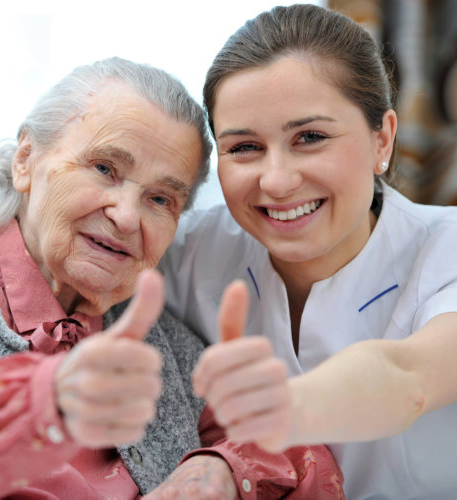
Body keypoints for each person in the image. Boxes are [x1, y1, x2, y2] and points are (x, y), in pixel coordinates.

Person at [0, 56, 344, 499]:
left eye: (160, 199)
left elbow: (300, 450)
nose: (125, 217)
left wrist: (217, 470)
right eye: (105, 168)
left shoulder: (163, 346)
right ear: (26, 159)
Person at [160, 4, 457, 500]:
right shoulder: (189, 251)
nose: (276, 181)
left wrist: (274, 417)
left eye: (310, 137)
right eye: (244, 147)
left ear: (382, 138)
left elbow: (409, 378)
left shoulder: (446, 248)